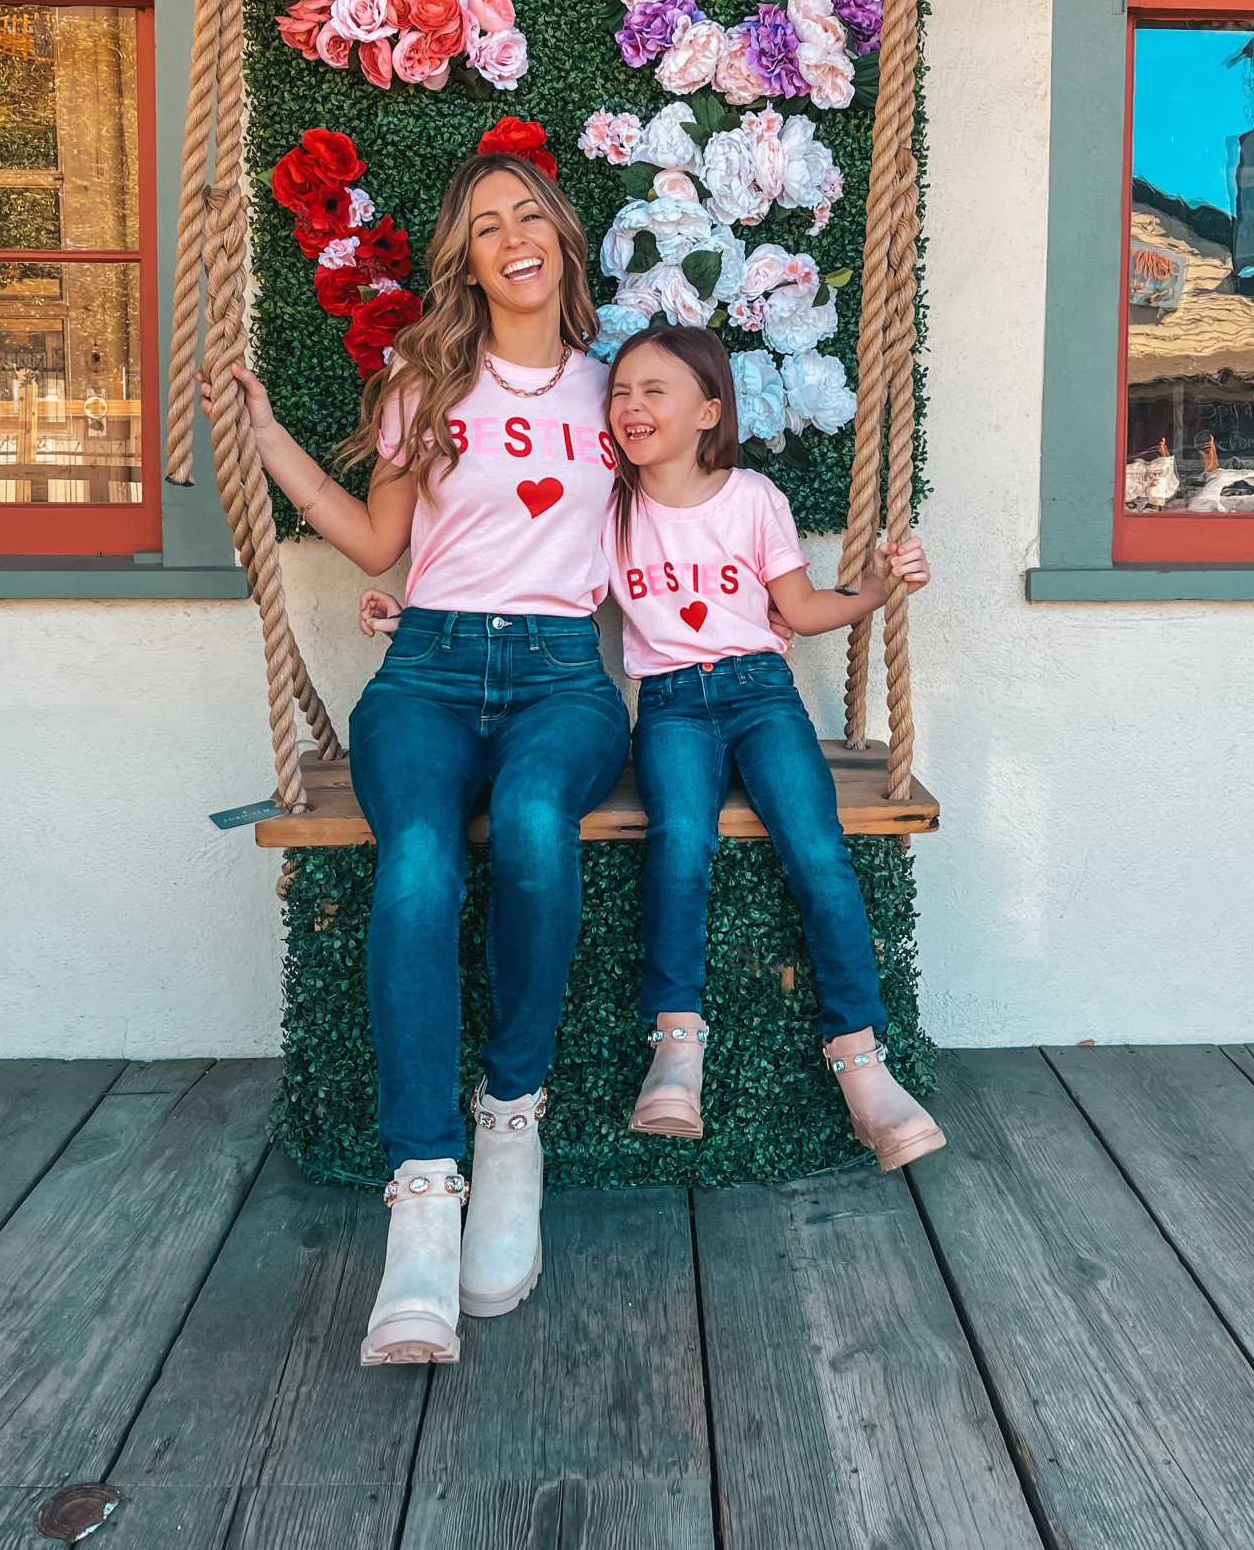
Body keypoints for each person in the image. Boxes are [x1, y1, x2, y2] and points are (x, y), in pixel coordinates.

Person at [201, 149, 629, 1367]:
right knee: (421, 862)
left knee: (540, 824)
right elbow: (379, 541)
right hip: (429, 674)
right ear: (466, 261)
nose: (511, 236)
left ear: (562, 234)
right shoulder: (424, 379)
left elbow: (687, 514)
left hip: (561, 678)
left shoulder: (617, 392)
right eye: (484, 224)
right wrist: (275, 443)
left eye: (527, 213)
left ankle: (511, 1123)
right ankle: (424, 1192)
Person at [601, 323, 945, 1167]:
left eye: (655, 391)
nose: (632, 406)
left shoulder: (752, 497)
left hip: (762, 695)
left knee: (817, 848)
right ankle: (677, 1047)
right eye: (620, 392)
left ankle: (861, 1061)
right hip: (673, 706)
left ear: (707, 409)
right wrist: (412, 614)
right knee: (680, 840)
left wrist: (874, 587)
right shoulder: (604, 509)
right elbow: (532, 584)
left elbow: (796, 608)